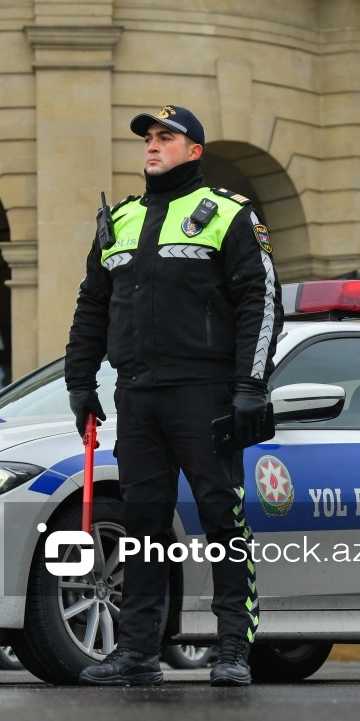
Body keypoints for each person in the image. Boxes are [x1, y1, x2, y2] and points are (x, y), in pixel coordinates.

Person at [64, 105, 284, 686]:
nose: (153, 146)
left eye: (167, 138)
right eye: (148, 139)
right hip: (136, 397)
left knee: (222, 517)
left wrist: (248, 388)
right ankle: (137, 652)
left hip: (205, 395)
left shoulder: (229, 215)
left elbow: (260, 303)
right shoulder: (120, 221)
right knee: (143, 525)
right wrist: (80, 382)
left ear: (194, 152)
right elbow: (91, 306)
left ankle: (234, 647)